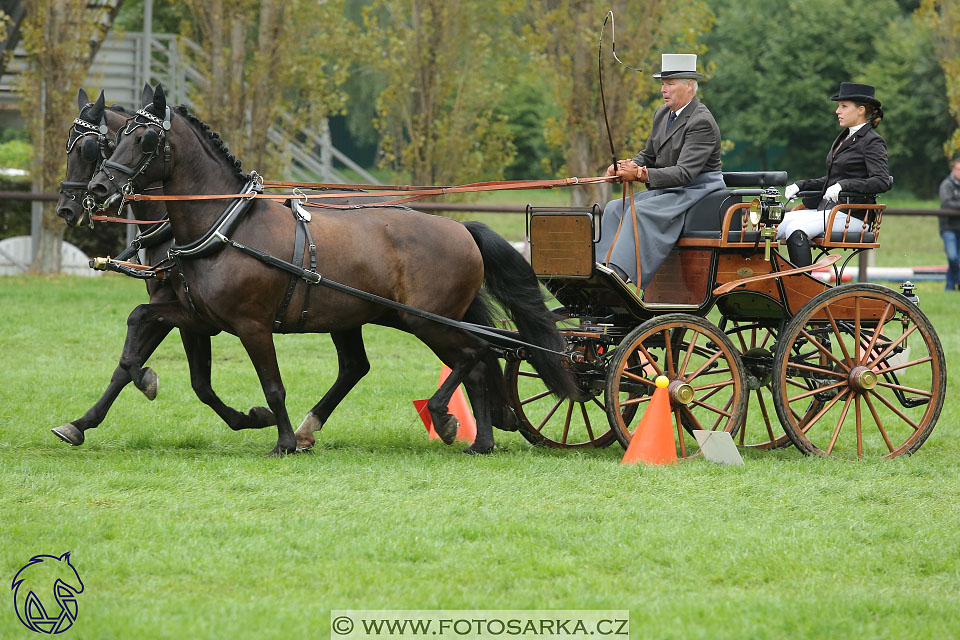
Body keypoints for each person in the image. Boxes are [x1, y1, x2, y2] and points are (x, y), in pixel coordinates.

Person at [595, 53, 724, 287]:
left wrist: (641, 175)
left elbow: (685, 173)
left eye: (669, 84)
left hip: (697, 189)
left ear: (689, 86)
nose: (663, 90)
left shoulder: (701, 121)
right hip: (669, 187)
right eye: (663, 84)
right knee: (614, 208)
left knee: (639, 212)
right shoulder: (662, 114)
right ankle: (600, 269)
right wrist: (626, 167)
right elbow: (649, 155)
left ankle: (619, 277)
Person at [777, 82, 893, 266]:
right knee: (774, 223)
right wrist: (802, 185)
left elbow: (881, 181)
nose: (837, 111)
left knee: (795, 229)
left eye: (843, 106)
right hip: (829, 210)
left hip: (851, 215)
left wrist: (844, 186)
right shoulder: (844, 137)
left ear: (861, 110)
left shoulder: (872, 141)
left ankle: (803, 286)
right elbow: (833, 180)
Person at [938, 158, 960, 291]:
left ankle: (950, 288)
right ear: (953, 170)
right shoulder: (946, 185)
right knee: (953, 258)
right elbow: (946, 204)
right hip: (948, 227)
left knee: (957, 260)